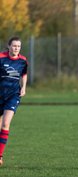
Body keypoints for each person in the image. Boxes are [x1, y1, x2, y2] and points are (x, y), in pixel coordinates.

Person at [0, 37, 28, 166]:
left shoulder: (23, 61)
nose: (16, 48)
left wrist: (23, 87)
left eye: (18, 46)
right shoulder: (1, 57)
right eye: (14, 46)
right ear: (9, 46)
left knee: (5, 124)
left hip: (13, 95)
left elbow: (24, 74)